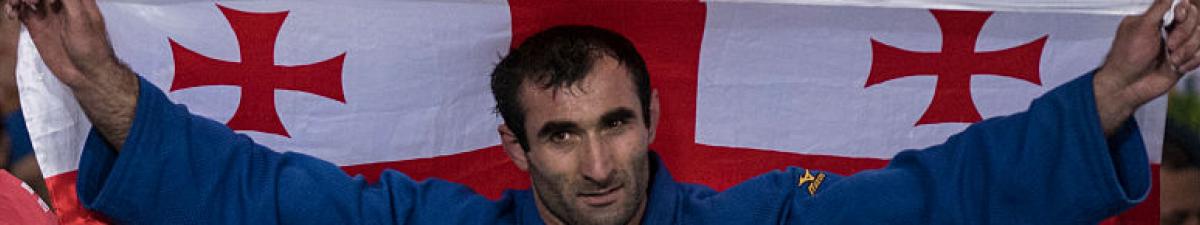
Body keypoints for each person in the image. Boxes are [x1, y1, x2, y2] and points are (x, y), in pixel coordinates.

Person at [4, 0, 1198, 223]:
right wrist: (98, 79)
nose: (598, 162)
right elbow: (258, 197)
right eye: (564, 135)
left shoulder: (765, 222)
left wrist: (1107, 92)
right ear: (516, 151)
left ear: (654, 118)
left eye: (616, 124)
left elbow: (947, 196)